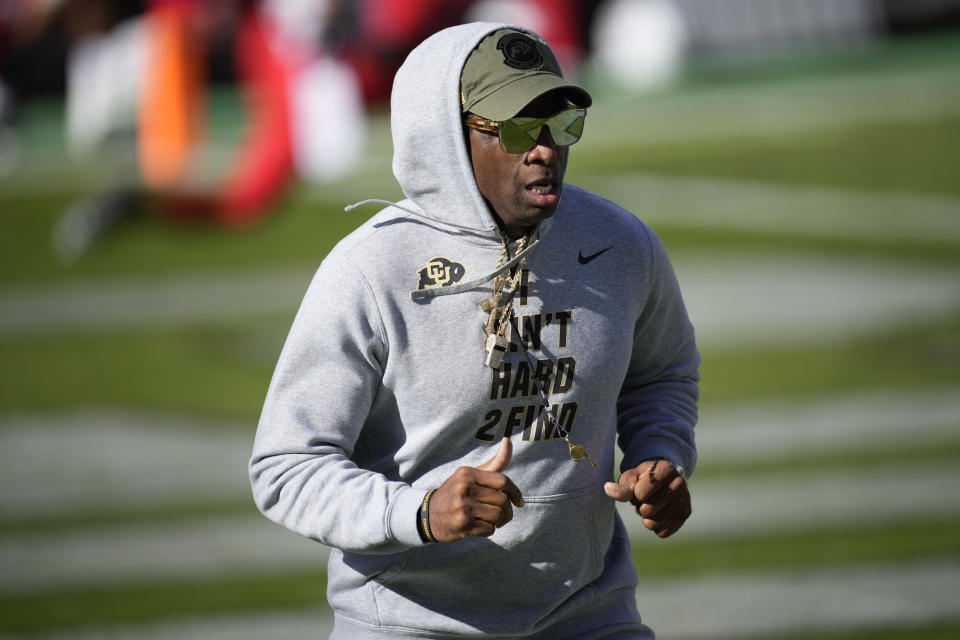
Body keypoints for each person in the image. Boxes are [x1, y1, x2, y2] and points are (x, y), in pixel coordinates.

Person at [250, 21, 699, 639]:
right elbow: (285, 467)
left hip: (591, 615)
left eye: (560, 123)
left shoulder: (620, 244)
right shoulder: (370, 270)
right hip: (408, 625)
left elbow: (662, 375)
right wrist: (420, 513)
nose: (544, 149)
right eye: (516, 129)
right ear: (447, 139)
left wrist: (660, 455)